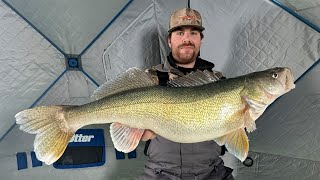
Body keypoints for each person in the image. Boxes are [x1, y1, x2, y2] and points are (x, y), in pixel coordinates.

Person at [138, 8, 235, 180]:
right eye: (180, 32)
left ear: (201, 40)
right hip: (160, 173)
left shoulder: (220, 82)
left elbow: (234, 133)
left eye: (194, 33)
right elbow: (131, 130)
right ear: (169, 40)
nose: (187, 39)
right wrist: (135, 132)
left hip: (212, 173)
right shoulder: (149, 78)